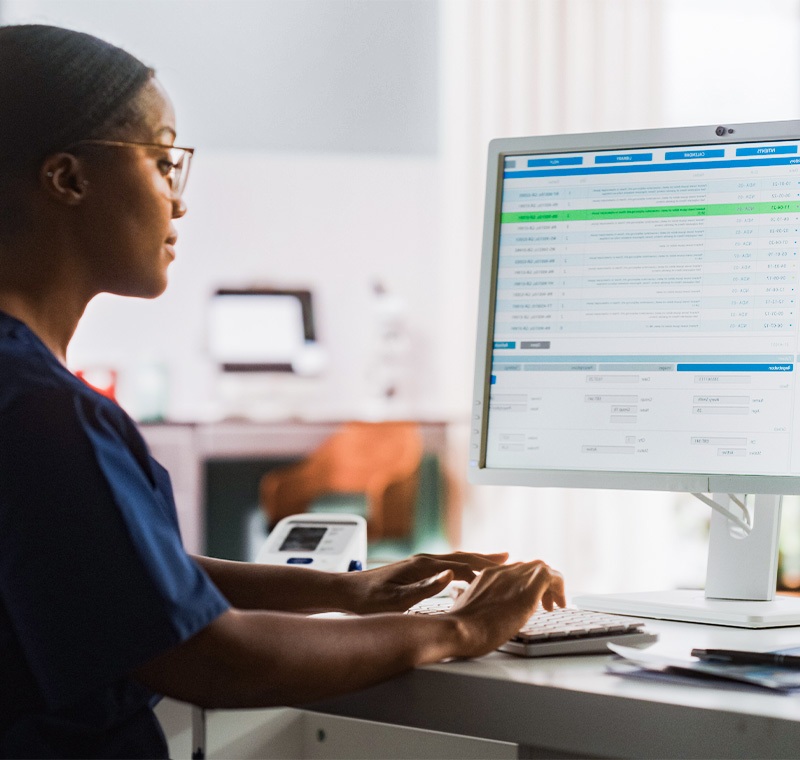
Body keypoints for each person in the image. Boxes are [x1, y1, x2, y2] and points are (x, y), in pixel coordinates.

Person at [0, 24, 566, 759]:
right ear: (69, 179)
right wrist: (457, 629)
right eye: (162, 161)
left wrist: (348, 593)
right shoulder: (47, 413)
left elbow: (111, 578)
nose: (179, 202)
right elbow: (210, 656)